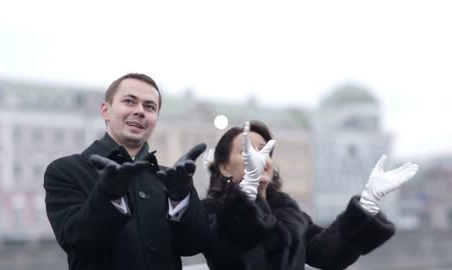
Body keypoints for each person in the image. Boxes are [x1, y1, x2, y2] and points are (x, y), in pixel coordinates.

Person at [43, 73, 210, 270]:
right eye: (129, 101)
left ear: (156, 119)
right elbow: (77, 242)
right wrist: (108, 196)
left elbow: (193, 245)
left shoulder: (169, 179)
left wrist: (181, 198)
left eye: (149, 107)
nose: (140, 111)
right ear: (105, 110)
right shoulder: (67, 171)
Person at [201, 120, 419, 270]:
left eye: (264, 150)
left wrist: (369, 201)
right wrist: (247, 190)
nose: (260, 159)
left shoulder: (289, 213)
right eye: (246, 151)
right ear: (225, 168)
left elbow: (328, 255)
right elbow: (226, 254)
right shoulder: (213, 212)